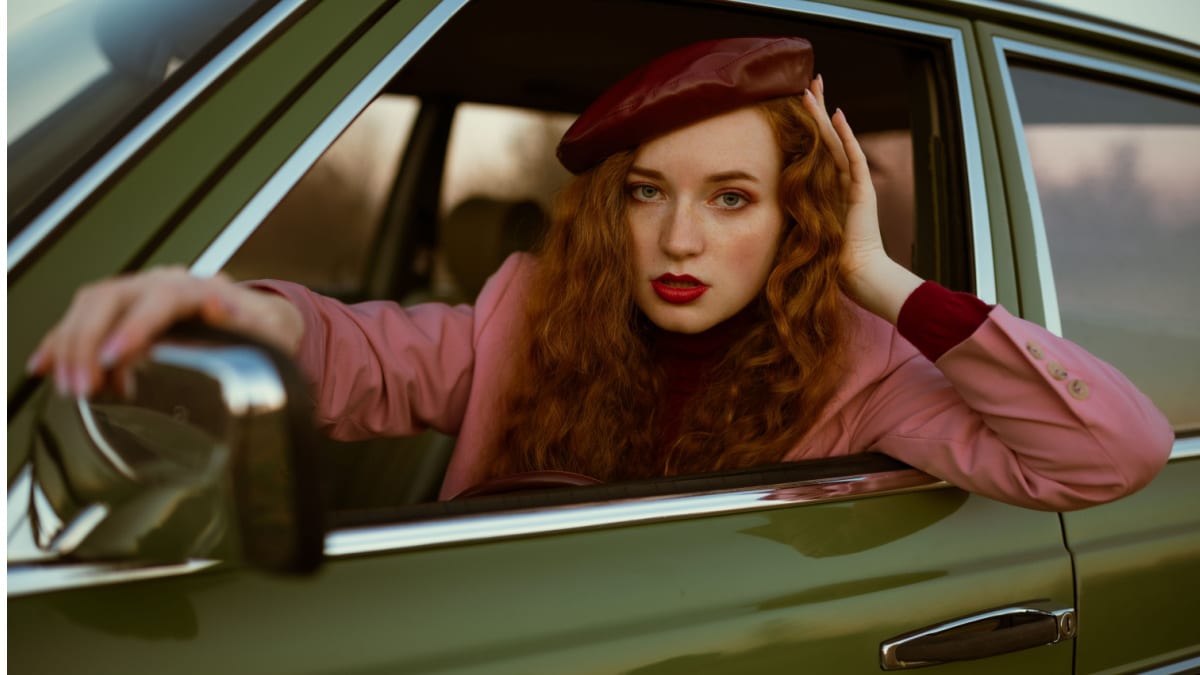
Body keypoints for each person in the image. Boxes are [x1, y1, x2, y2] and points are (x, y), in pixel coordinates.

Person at [27, 37, 1173, 510]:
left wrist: (876, 276)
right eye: (647, 192)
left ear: (798, 219)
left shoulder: (865, 372)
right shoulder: (527, 317)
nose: (678, 241)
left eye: (732, 198)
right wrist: (216, 309)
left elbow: (1112, 452)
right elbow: (358, 353)